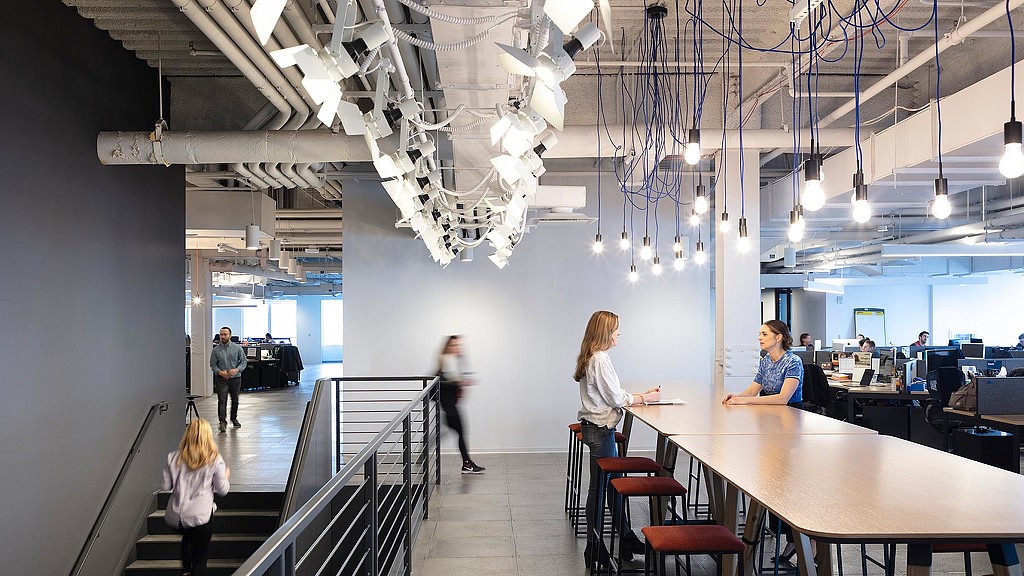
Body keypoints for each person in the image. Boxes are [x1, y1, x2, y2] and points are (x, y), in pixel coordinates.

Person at [574, 311, 661, 570]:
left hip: (598, 427)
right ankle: (595, 545)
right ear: (605, 332)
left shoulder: (594, 356)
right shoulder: (600, 359)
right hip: (601, 429)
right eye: (616, 329)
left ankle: (623, 538)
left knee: (609, 487)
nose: (619, 333)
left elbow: (612, 394)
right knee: (600, 489)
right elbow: (614, 398)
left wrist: (637, 395)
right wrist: (644, 399)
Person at [161, 418, 230, 576]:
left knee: (188, 537)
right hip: (201, 517)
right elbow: (222, 490)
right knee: (200, 558)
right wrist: (225, 476)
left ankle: (186, 571)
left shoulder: (172, 457)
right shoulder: (214, 459)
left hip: (177, 518)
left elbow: (165, 486)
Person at [723, 320, 804, 407]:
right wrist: (735, 397)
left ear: (778, 337)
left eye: (764, 334)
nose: (759, 338)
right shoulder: (766, 360)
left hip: (791, 411)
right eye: (759, 334)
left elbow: (782, 399)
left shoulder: (793, 361)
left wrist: (744, 400)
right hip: (771, 410)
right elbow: (752, 391)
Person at [437, 335, 485, 474]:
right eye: (453, 345)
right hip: (449, 407)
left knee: (453, 432)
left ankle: (467, 463)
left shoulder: (454, 363)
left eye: (458, 345)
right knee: (461, 433)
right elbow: (438, 381)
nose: (457, 348)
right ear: (447, 347)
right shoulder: (446, 362)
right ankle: (467, 464)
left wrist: (461, 382)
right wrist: (457, 383)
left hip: (451, 405)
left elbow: (454, 380)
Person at [210, 326, 246, 433]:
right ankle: (222, 422)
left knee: (235, 399)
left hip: (235, 378)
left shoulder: (237, 348)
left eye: (225, 334)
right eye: (221, 334)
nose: (222, 337)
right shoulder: (216, 350)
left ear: (230, 335)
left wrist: (237, 370)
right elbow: (213, 364)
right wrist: (220, 372)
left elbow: (243, 362)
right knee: (222, 400)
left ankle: (233, 418)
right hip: (221, 379)